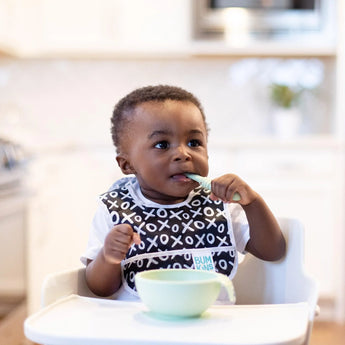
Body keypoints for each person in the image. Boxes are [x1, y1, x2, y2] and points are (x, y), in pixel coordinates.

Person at [81, 85, 286, 300]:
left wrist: (252, 202)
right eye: (162, 145)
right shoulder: (114, 210)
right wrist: (109, 256)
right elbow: (99, 289)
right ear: (127, 165)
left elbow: (273, 252)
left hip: (214, 328)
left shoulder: (219, 202)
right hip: (140, 330)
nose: (182, 154)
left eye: (194, 143)